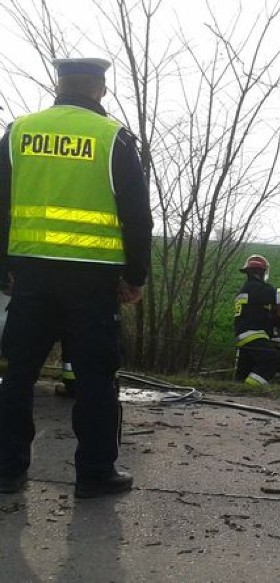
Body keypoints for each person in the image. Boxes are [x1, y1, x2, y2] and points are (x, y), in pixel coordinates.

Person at [0, 57, 153, 498]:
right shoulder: (113, 138)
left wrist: (2, 270)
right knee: (95, 379)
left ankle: (8, 470)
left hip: (31, 275)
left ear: (58, 84)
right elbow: (137, 217)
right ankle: (94, 473)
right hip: (92, 282)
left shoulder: (19, 132)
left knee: (18, 375)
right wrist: (135, 275)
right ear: (100, 90)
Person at [234, 254, 280, 385]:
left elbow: (276, 321)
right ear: (261, 272)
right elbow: (275, 295)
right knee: (271, 360)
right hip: (253, 334)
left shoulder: (248, 289)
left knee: (244, 371)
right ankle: (251, 389)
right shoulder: (255, 287)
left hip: (244, 335)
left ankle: (238, 392)